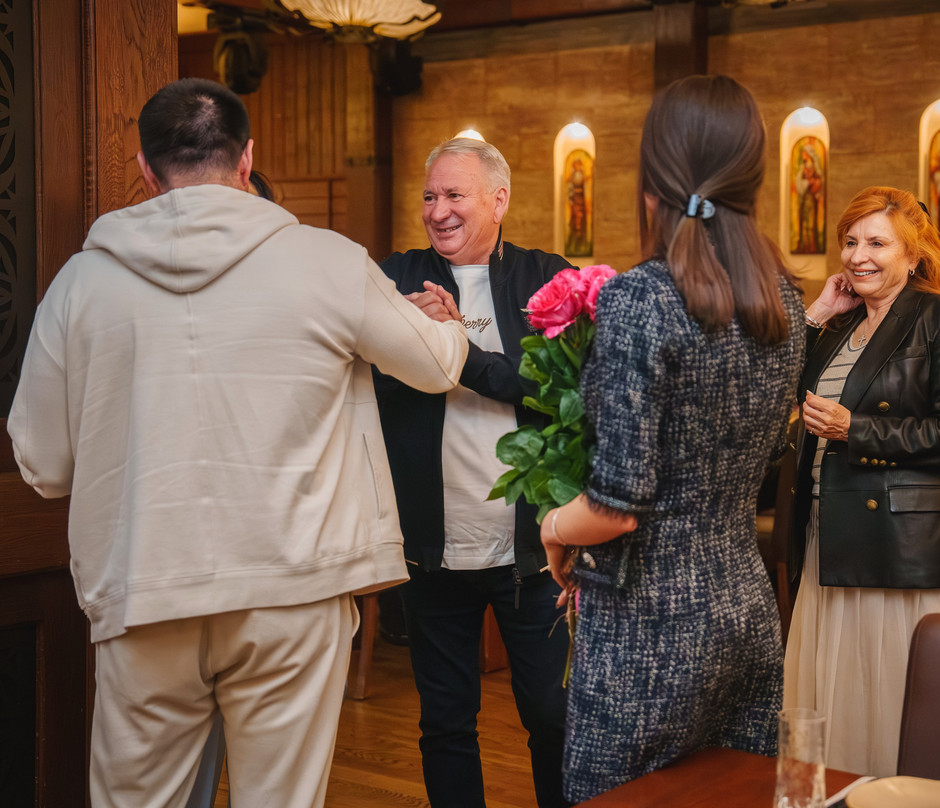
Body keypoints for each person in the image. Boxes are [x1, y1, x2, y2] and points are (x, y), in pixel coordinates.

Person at [7, 78, 468, 807]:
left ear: (145, 167)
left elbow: (42, 462)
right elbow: (436, 367)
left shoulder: (80, 283)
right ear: (247, 157)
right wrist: (448, 323)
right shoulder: (327, 260)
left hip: (145, 586)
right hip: (294, 586)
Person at [538, 74, 805, 803]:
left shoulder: (642, 298)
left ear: (652, 177)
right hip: (745, 609)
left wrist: (553, 526)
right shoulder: (784, 301)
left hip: (647, 625)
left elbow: (617, 506)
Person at [372, 137, 572, 808]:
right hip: (433, 550)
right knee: (445, 725)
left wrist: (459, 348)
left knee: (553, 719)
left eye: (455, 194)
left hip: (537, 552)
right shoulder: (394, 278)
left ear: (498, 200)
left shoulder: (548, 278)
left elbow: (558, 391)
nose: (439, 211)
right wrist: (411, 339)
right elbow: (363, 381)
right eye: (429, 196)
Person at [783, 186, 940, 777]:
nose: (858, 256)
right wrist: (818, 312)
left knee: (891, 698)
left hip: (898, 548)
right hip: (827, 535)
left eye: (877, 243)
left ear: (913, 254)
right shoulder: (838, 326)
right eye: (850, 242)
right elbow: (775, 389)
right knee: (834, 700)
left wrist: (855, 430)